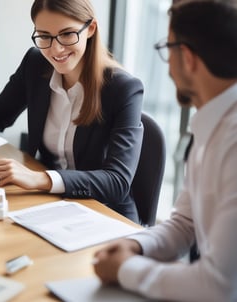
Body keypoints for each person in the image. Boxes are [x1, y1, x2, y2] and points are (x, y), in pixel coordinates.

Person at [0, 0, 144, 222]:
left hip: (105, 213)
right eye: (45, 36)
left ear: (90, 29)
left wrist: (39, 179)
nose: (55, 49)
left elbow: (117, 181)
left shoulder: (123, 89)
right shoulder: (35, 63)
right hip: (50, 204)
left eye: (67, 34)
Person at [93, 0, 237, 301]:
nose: (167, 66)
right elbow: (185, 224)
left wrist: (125, 269)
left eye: (167, 48)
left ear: (187, 57)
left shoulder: (232, 141)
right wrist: (135, 245)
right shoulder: (210, 124)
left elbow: (220, 286)